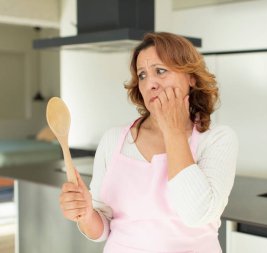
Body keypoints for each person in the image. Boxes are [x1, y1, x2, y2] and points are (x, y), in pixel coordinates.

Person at [59, 32, 238, 253]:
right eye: (142, 75)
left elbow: (197, 214)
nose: (150, 83)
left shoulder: (217, 139)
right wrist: (86, 215)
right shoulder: (114, 140)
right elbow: (103, 228)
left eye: (160, 71)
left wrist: (172, 130)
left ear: (191, 77)